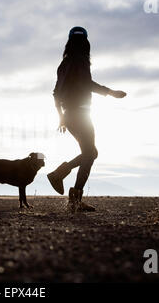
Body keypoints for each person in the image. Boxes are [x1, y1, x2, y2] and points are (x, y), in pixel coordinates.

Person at [47, 26, 126, 213]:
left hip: (69, 114)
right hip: (81, 113)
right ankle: (73, 196)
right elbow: (86, 83)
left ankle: (61, 175)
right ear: (86, 44)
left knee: (91, 153)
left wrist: (61, 118)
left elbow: (55, 93)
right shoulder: (81, 60)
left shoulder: (63, 65)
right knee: (90, 154)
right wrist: (111, 92)